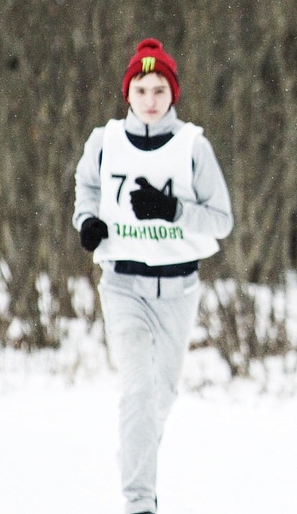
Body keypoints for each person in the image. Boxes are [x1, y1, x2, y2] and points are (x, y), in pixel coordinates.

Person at [73, 38, 233, 514]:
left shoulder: (192, 147)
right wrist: (87, 224)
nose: (149, 99)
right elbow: (86, 190)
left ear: (172, 94)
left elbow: (221, 220)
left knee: (160, 395)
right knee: (138, 390)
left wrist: (174, 209)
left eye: (158, 89)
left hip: (178, 288)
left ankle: (135, 458)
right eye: (141, 89)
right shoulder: (104, 142)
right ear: (128, 93)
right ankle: (139, 502)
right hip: (123, 284)